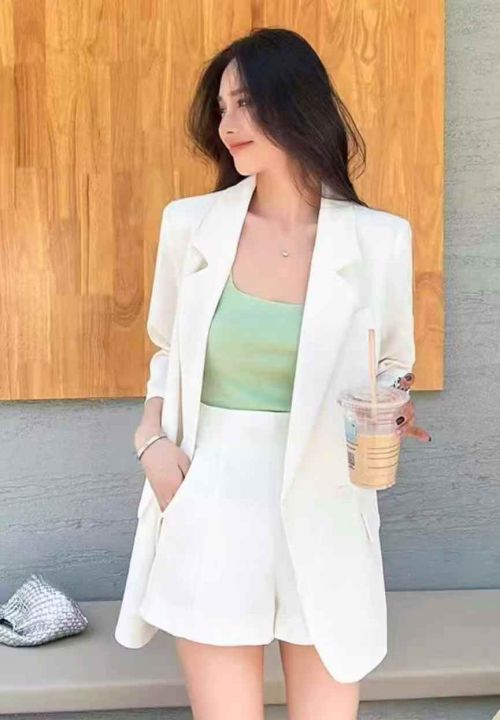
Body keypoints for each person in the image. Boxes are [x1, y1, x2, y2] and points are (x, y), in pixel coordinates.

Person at [117, 27, 431, 720]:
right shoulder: (190, 227)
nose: (228, 125)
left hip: (326, 506)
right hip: (209, 499)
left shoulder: (380, 240)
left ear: (296, 104)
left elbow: (392, 366)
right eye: (222, 107)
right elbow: (166, 352)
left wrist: (394, 406)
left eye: (247, 104)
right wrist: (152, 445)